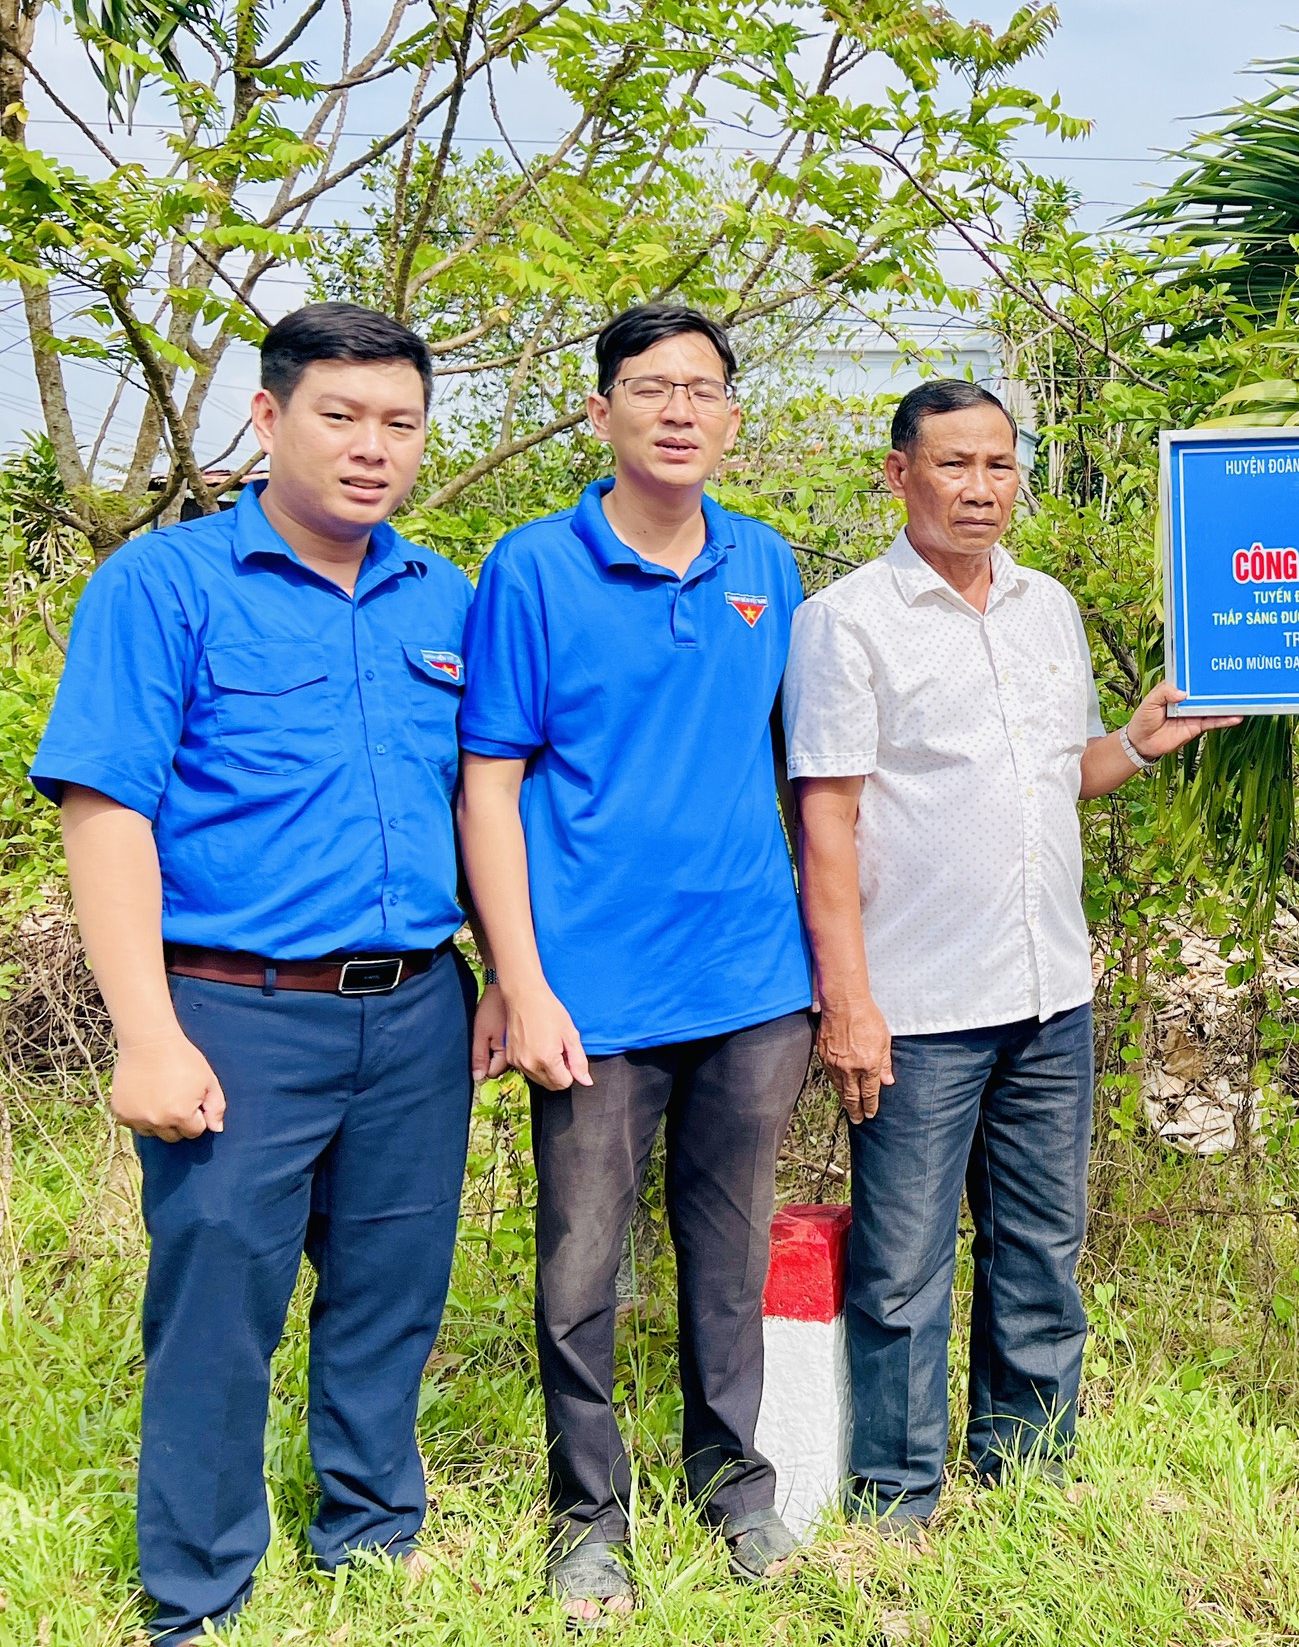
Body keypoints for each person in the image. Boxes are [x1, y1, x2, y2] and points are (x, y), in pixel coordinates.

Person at [31, 303, 502, 1645]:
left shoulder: (446, 599)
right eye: (339, 417)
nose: (371, 449)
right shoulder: (165, 586)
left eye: (398, 424)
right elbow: (105, 809)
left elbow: (486, 803)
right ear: (267, 418)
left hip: (415, 1007)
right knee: (219, 1308)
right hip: (235, 1011)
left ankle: (368, 1531)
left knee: (391, 1292)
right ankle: (198, 1586)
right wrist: (146, 1034)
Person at [782, 378, 1235, 1529]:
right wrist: (849, 1003)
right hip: (918, 999)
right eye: (953, 465)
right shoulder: (846, 622)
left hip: (1050, 992)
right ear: (898, 475)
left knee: (1041, 1247)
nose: (980, 488)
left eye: (998, 465)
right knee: (901, 1265)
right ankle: (897, 1493)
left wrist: (1136, 742)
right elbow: (823, 822)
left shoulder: (1048, 607)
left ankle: (1027, 1472)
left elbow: (1056, 776)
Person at [455, 303, 814, 1620]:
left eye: (705, 389)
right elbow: (487, 788)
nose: (680, 410)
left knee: (729, 1259)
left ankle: (737, 1491)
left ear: (730, 416)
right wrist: (521, 974)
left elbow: (803, 773)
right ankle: (587, 1517)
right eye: (652, 387)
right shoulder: (533, 570)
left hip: (754, 987)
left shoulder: (766, 563)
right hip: (589, 995)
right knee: (580, 1269)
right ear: (600, 407)